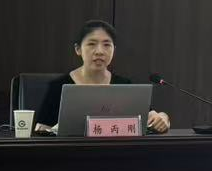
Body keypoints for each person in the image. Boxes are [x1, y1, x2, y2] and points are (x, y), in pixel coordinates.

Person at [32, 19, 171, 134]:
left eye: (106, 45)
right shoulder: (59, 87)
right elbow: (41, 129)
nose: (99, 51)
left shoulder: (124, 85)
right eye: (92, 44)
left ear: (114, 50)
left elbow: (151, 117)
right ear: (78, 49)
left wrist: (163, 118)